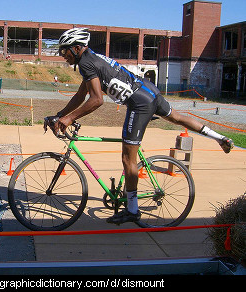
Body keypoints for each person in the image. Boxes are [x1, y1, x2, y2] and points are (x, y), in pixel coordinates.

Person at [48, 27, 234, 225]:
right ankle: (220, 138)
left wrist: (68, 119)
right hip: (148, 91)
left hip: (140, 104)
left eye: (64, 51)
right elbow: (80, 96)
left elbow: (96, 100)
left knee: (128, 158)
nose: (63, 55)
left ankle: (133, 210)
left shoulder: (86, 63)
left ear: (76, 48)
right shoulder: (92, 58)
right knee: (177, 118)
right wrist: (60, 115)